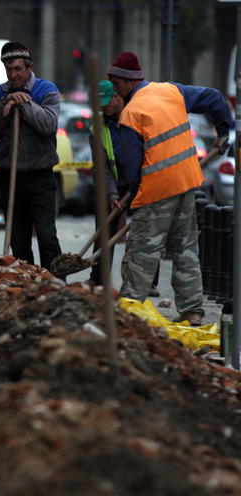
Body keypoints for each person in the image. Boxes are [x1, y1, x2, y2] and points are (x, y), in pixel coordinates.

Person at [108, 51, 232, 326]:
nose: (116, 90)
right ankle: (193, 311)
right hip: (186, 181)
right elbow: (214, 97)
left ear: (129, 82)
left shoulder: (131, 114)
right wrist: (224, 130)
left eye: (116, 85)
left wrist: (134, 197)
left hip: (156, 189)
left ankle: (129, 312)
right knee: (185, 247)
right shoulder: (170, 90)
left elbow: (132, 165)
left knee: (141, 250)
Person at [0, 41, 62, 271]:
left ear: (29, 67)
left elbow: (48, 124)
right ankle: (26, 286)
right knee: (18, 239)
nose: (13, 74)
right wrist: (6, 102)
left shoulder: (47, 90)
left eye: (17, 69)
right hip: (10, 175)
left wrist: (25, 104)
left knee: (46, 236)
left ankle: (55, 284)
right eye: (9, 69)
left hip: (40, 176)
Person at [87, 79, 128, 284]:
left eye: (105, 101)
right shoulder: (97, 127)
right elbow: (101, 167)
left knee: (143, 233)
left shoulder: (133, 116)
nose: (103, 107)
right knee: (104, 229)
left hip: (140, 181)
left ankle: (147, 282)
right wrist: (112, 194)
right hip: (114, 181)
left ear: (116, 96)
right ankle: (98, 279)